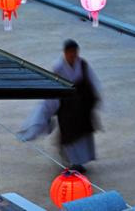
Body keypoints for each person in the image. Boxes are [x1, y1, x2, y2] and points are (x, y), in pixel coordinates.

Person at [19, 39, 102, 173]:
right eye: (70, 53)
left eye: (75, 53)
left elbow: (92, 82)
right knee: (69, 137)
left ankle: (79, 163)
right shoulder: (58, 67)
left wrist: (94, 100)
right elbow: (54, 88)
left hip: (82, 107)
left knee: (83, 136)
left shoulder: (83, 64)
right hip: (67, 108)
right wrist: (50, 108)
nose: (73, 56)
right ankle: (72, 162)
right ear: (65, 53)